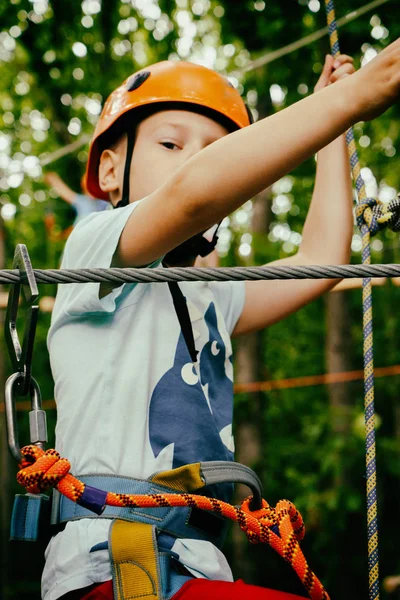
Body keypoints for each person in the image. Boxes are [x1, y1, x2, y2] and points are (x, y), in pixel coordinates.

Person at [43, 41, 400, 600]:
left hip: (198, 566)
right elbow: (191, 195)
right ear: (110, 170)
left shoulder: (210, 295)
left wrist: (332, 131)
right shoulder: (93, 252)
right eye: (170, 143)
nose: (193, 159)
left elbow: (320, 258)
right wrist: (358, 96)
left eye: (217, 150)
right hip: (109, 565)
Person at [43, 171, 110, 227]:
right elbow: (65, 192)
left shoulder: (105, 201)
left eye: (92, 186)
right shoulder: (82, 201)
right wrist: (54, 180)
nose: (90, 191)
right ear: (84, 190)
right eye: (87, 188)